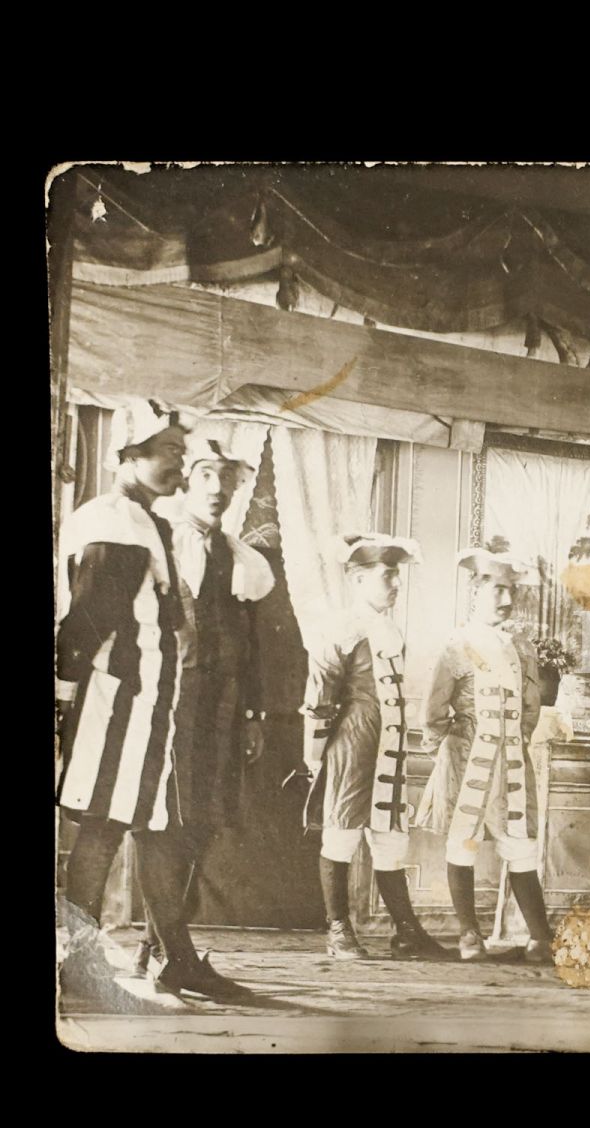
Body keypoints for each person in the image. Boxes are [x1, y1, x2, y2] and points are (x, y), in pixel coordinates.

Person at [55, 399, 250, 1002]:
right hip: (119, 706)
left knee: (158, 828)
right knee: (103, 828)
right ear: (130, 453)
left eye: (180, 452)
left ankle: (176, 959)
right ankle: (77, 963)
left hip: (150, 709)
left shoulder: (147, 521)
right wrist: (64, 694)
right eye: (168, 451)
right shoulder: (113, 521)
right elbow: (86, 623)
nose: (179, 464)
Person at [136, 431, 274, 976]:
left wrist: (252, 714)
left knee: (202, 821)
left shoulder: (236, 556)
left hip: (221, 708)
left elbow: (249, 643)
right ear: (187, 481)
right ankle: (175, 954)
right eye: (206, 476)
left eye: (228, 479)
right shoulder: (159, 540)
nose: (218, 489)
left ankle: (157, 947)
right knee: (165, 821)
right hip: (170, 700)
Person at [296, 532, 448, 961]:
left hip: (390, 747)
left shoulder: (390, 628)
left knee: (389, 839)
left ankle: (407, 932)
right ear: (358, 579)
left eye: (397, 575)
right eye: (386, 576)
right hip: (353, 745)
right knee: (341, 834)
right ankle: (338, 930)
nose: (395, 584)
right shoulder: (340, 627)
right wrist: (315, 756)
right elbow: (320, 699)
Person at [415, 546, 551, 963]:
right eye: (497, 590)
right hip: (466, 759)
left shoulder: (521, 648)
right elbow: (433, 711)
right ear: (475, 592)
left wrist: (515, 743)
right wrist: (449, 750)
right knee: (463, 842)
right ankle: (469, 934)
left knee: (520, 845)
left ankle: (541, 938)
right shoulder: (458, 645)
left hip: (511, 763)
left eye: (512, 590)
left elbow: (530, 709)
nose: (507, 600)